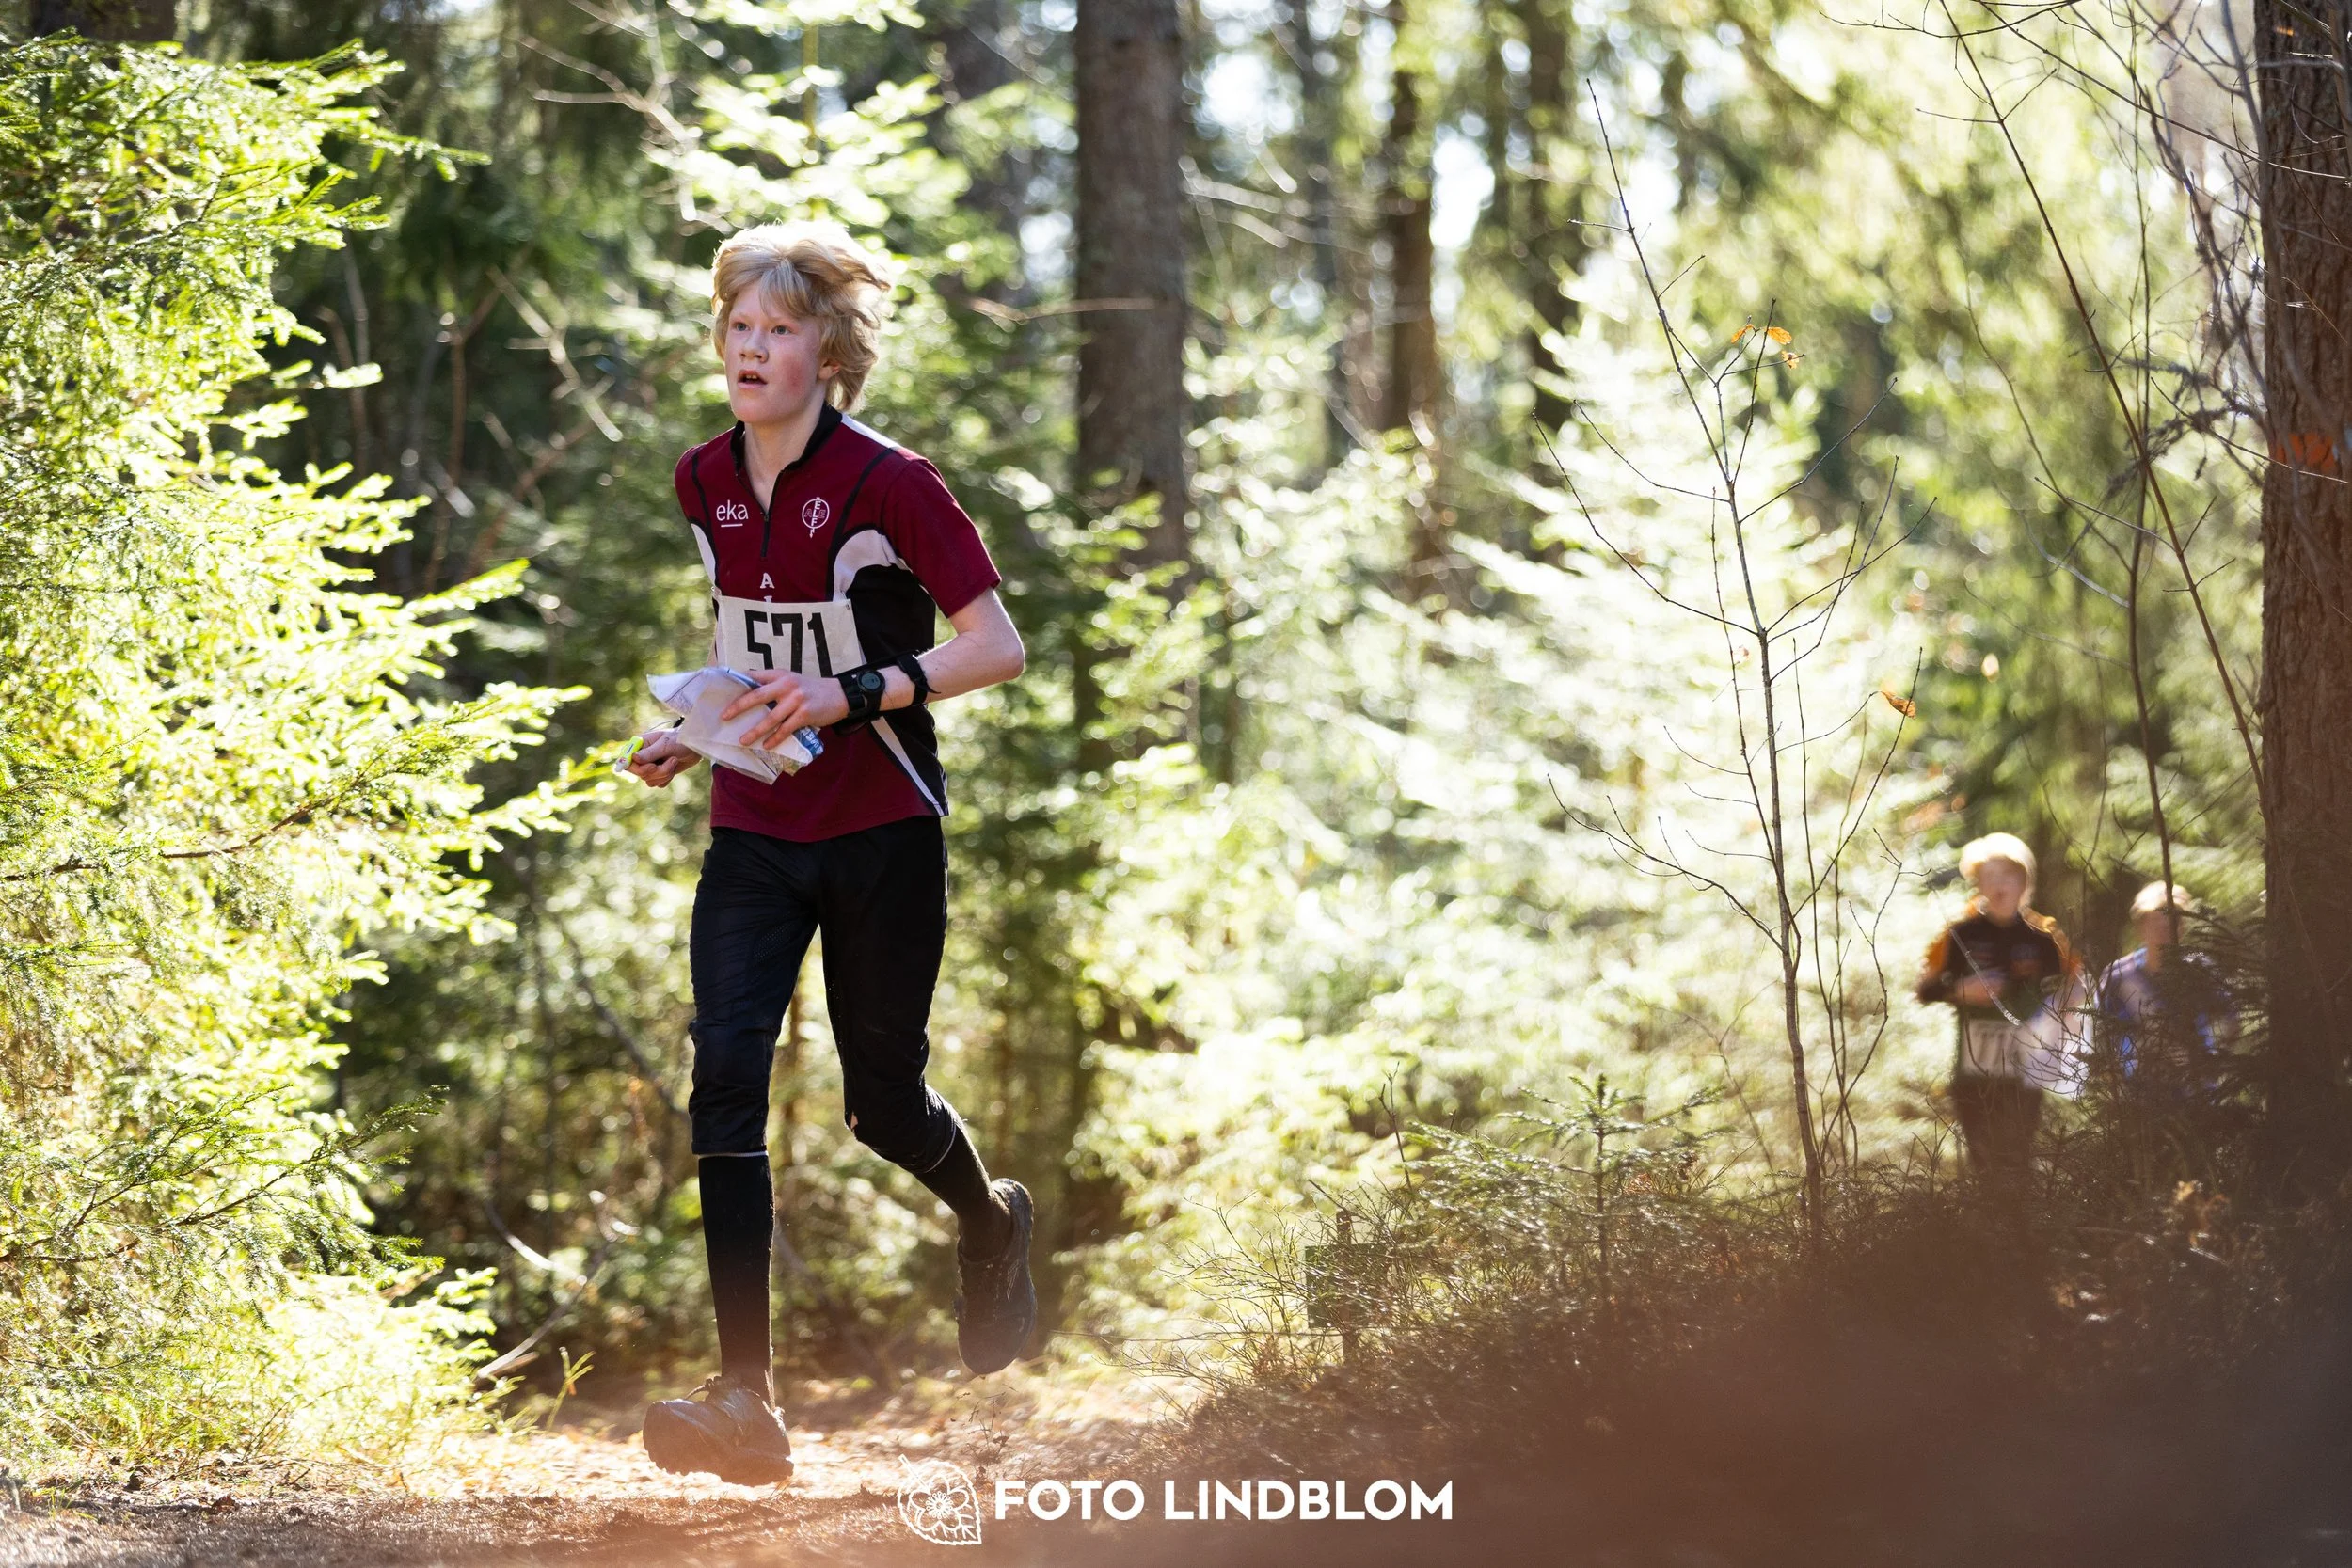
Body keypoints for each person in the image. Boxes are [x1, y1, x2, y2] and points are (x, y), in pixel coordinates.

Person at [623, 221, 1034, 1486]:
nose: (752, 350)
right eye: (738, 328)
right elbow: (753, 648)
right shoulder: (702, 478)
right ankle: (745, 1396)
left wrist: (853, 694)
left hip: (882, 829)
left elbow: (996, 644)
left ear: (829, 348)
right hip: (754, 826)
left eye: (780, 329)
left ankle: (989, 1218)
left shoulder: (890, 481)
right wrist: (697, 728)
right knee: (724, 1080)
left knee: (881, 1102)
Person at [1915, 833, 2080, 1181]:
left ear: (2025, 881)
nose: (1998, 884)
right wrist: (1961, 991)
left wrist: (2061, 1017)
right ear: (1978, 884)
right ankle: (1987, 1231)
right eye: (1988, 876)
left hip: (2025, 1073)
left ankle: (2020, 1232)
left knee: (2019, 1159)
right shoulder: (1959, 934)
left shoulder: (2045, 937)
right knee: (1984, 1163)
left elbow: (2075, 987)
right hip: (1974, 1073)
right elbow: (1924, 989)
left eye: (2007, 875)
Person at [2093, 879, 2235, 1101]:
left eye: (2173, 920)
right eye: (2156, 920)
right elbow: (2102, 1035)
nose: (2164, 928)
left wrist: (2212, 1061)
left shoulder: (2200, 970)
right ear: (2141, 926)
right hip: (2138, 1097)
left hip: (2195, 1093)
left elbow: (2230, 1019)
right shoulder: (2118, 977)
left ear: (2183, 926)